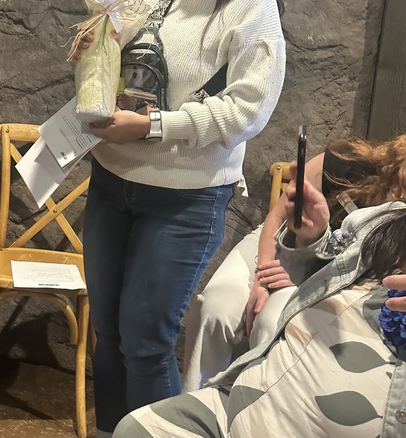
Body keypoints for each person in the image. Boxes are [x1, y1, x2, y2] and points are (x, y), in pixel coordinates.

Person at [79, 0, 286, 435]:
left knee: (146, 342)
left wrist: (151, 127)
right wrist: (91, 54)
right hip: (111, 183)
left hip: (185, 199)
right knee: (108, 334)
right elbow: (113, 78)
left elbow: (247, 110)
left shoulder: (252, 2)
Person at [112, 166, 406, 438]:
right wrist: (310, 240)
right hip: (259, 393)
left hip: (316, 417)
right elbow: (319, 259)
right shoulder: (379, 217)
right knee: (211, 309)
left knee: (268, 319)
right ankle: (197, 392)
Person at [181, 134, 406, 391]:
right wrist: (262, 278)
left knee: (274, 324)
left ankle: (253, 402)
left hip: (321, 279)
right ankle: (194, 399)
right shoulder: (344, 162)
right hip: (275, 244)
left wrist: (301, 277)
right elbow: (276, 218)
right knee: (213, 308)